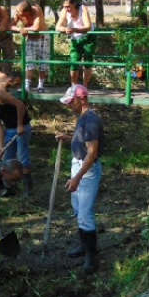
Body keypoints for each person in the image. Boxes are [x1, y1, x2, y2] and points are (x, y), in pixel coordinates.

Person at [55, 84, 104, 274]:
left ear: (82, 99)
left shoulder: (91, 120)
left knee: (84, 214)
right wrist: (67, 138)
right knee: (77, 210)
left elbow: (92, 153)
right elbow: (82, 141)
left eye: (71, 102)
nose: (68, 105)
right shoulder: (82, 118)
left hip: (87, 170)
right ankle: (84, 245)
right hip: (78, 166)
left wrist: (77, 178)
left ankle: (92, 257)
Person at [55, 0, 95, 87]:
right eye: (64, 7)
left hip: (88, 37)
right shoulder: (64, 11)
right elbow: (57, 26)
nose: (66, 9)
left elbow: (87, 26)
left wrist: (74, 29)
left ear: (74, 4)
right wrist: (65, 29)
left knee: (88, 62)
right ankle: (73, 87)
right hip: (75, 38)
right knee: (74, 62)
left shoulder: (83, 9)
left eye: (68, 6)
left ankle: (85, 86)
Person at [11, 1, 49, 93]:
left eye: (19, 11)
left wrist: (24, 29)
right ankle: (27, 86)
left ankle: (40, 85)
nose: (16, 12)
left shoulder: (37, 10)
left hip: (43, 37)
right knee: (29, 61)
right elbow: (10, 25)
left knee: (43, 62)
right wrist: (20, 29)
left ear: (26, 12)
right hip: (30, 39)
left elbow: (36, 27)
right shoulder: (17, 13)